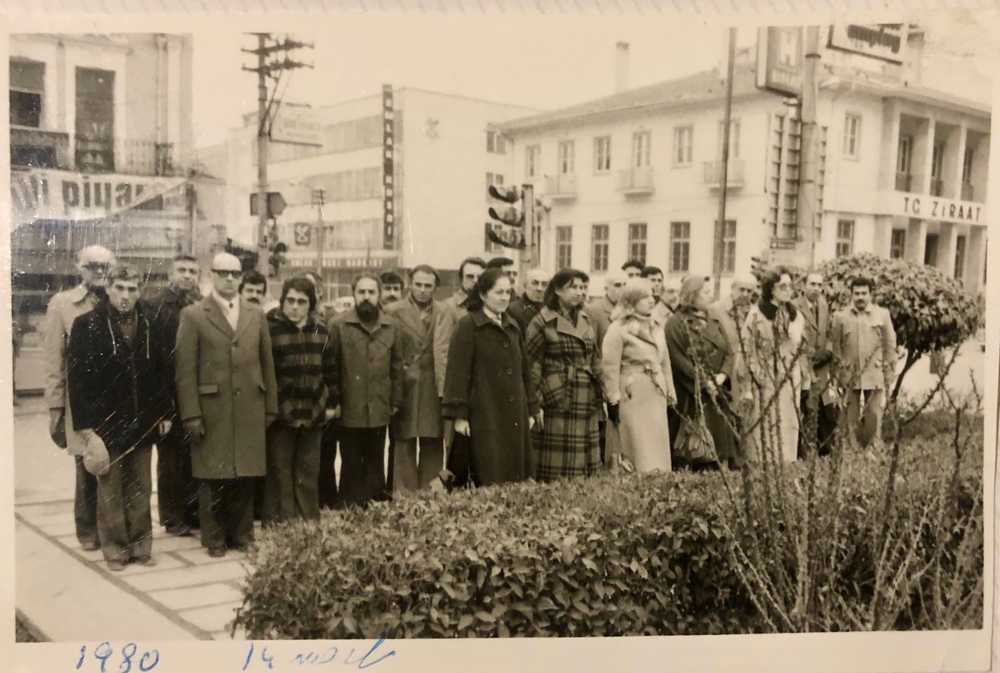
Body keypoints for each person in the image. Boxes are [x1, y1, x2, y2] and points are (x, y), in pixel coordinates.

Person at [67, 264, 173, 571]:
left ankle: (141, 546)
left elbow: (162, 372)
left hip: (142, 420)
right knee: (110, 489)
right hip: (106, 423)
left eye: (132, 289)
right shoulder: (86, 324)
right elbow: (78, 382)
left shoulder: (151, 322)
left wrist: (165, 412)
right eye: (120, 288)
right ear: (109, 289)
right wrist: (87, 430)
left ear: (139, 291)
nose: (126, 295)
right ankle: (115, 549)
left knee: (141, 484)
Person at [175, 252, 278, 558]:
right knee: (213, 475)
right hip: (212, 407)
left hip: (249, 403)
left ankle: (243, 534)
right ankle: (215, 536)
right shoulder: (194, 314)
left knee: (245, 474)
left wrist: (270, 404)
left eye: (235, 274)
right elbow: (184, 370)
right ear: (213, 275)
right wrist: (191, 412)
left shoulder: (254, 313)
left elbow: (266, 362)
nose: (230, 279)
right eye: (223, 274)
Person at [43, 244, 116, 551]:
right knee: (85, 465)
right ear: (79, 268)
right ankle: (87, 530)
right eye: (92, 266)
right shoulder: (62, 304)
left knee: (114, 466)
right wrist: (56, 407)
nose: (99, 272)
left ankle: (112, 529)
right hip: (80, 399)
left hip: (113, 397)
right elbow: (53, 360)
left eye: (104, 266)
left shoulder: (118, 299)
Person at [443, 268, 537, 485]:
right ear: (483, 295)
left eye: (508, 292)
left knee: (515, 474)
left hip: (514, 414)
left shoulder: (513, 326)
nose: (505, 297)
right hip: (484, 412)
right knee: (489, 470)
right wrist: (460, 416)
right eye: (499, 292)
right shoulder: (468, 326)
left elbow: (525, 370)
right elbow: (457, 373)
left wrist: (531, 407)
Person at [264, 276, 337, 523]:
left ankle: (308, 523)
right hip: (282, 411)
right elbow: (268, 373)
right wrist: (275, 408)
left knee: (308, 470)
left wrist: (330, 404)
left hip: (313, 411)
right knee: (280, 470)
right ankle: (281, 524)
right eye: (290, 301)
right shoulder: (269, 329)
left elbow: (330, 370)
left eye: (302, 302)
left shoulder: (321, 330)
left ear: (311, 304)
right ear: (282, 302)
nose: (295, 307)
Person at [327, 274, 403, 507]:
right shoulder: (338, 325)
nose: (366, 297)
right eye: (362, 292)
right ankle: (350, 509)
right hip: (350, 408)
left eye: (371, 292)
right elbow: (331, 367)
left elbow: (397, 366)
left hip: (379, 407)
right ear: (354, 294)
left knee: (375, 459)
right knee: (350, 462)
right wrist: (335, 402)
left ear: (379, 295)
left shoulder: (392, 326)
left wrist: (396, 401)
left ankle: (373, 510)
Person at [525, 269, 603, 481]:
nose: (580, 292)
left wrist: (602, 390)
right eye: (574, 287)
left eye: (583, 288)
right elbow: (531, 363)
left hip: (586, 395)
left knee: (584, 457)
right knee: (557, 462)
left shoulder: (586, 319)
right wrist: (537, 400)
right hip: (557, 396)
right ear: (558, 290)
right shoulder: (542, 321)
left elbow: (595, 356)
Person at [144, 254, 202, 536]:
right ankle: (172, 516)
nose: (187, 275)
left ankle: (192, 512)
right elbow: (152, 360)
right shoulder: (154, 306)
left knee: (194, 455)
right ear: (171, 273)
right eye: (182, 270)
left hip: (194, 391)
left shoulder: (202, 305)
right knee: (170, 459)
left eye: (193, 271)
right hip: (167, 393)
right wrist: (161, 406)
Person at [601, 279, 677, 473]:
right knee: (636, 443)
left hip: (655, 392)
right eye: (645, 297)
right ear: (631, 301)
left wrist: (670, 389)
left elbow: (664, 361)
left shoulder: (657, 326)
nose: (651, 300)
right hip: (632, 393)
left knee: (656, 441)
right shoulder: (618, 328)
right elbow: (610, 367)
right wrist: (613, 397)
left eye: (652, 295)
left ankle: (658, 478)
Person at [664, 275, 739, 470]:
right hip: (692, 395)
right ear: (692, 295)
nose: (710, 296)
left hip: (719, 390)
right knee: (695, 451)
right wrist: (706, 383)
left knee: (719, 450)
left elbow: (730, 352)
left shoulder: (714, 318)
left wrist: (722, 376)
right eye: (705, 292)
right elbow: (679, 361)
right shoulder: (675, 323)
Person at [384, 265, 445, 492]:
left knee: (433, 441)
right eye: (418, 284)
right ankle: (404, 495)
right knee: (403, 441)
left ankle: (430, 494)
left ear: (435, 287)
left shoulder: (444, 311)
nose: (422, 290)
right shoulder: (392, 310)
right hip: (405, 384)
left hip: (432, 384)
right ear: (409, 283)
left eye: (428, 285)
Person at [739, 269, 806, 465]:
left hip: (790, 377)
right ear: (770, 289)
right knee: (767, 424)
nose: (787, 290)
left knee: (788, 424)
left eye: (789, 286)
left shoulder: (796, 315)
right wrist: (753, 378)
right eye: (782, 286)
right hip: (765, 377)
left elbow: (800, 347)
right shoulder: (756, 314)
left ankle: (787, 466)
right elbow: (746, 349)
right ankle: (765, 468)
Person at [829, 276, 897, 450]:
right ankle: (851, 448)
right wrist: (837, 373)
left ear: (870, 294)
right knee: (850, 414)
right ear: (851, 294)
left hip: (874, 372)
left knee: (874, 412)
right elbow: (835, 346)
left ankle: (873, 447)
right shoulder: (840, 316)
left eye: (864, 293)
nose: (860, 297)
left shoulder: (882, 314)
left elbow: (890, 344)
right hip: (849, 373)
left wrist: (889, 370)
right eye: (856, 293)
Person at [794, 272, 837, 457]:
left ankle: (824, 449)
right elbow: (795, 338)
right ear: (804, 285)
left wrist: (827, 350)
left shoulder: (824, 305)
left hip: (823, 365)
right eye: (812, 284)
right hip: (804, 365)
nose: (816, 288)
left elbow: (828, 332)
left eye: (820, 285)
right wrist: (812, 357)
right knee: (804, 406)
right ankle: (800, 450)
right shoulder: (794, 306)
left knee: (825, 406)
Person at [508, 268, 549, 335]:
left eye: (544, 284)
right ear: (525, 285)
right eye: (535, 283)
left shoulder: (552, 309)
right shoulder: (513, 309)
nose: (539, 288)